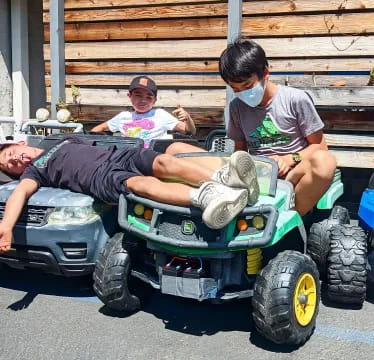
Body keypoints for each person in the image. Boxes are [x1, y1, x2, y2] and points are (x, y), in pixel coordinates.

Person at [0, 136, 259, 252]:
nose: (16, 160)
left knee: (165, 163)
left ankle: (223, 180)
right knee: (140, 186)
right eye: (11, 165)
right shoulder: (35, 171)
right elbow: (19, 195)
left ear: (20, 143)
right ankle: (207, 197)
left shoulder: (64, 140)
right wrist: (7, 226)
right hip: (100, 178)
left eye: (11, 154)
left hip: (120, 155)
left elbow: (96, 139)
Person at [167, 39, 336, 216]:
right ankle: (208, 201)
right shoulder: (236, 107)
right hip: (256, 174)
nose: (242, 93)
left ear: (265, 72)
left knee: (325, 162)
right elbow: (240, 152)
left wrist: (288, 159)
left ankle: (288, 217)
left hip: (292, 173)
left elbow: (319, 146)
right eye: (235, 89)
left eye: (247, 86)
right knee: (174, 150)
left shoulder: (295, 99)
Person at [91, 76, 196, 148]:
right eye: (138, 95)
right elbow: (99, 129)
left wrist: (187, 119)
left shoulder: (160, 114)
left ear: (154, 100)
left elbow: (189, 131)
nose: (143, 100)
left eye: (148, 97)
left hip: (154, 156)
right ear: (129, 96)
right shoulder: (123, 116)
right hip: (129, 156)